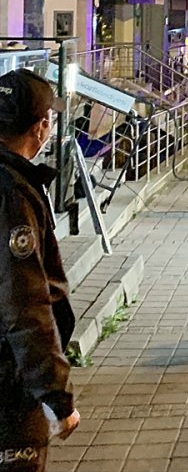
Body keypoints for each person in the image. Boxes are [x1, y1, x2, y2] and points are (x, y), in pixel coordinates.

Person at [0, 69, 81, 471]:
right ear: (41, 126)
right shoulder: (13, 195)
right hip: (8, 396)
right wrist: (56, 396)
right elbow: (24, 304)